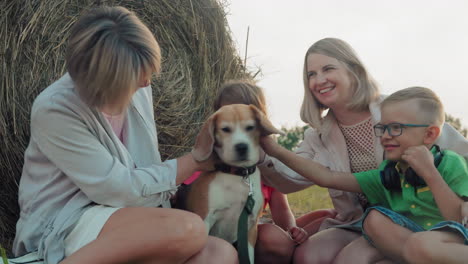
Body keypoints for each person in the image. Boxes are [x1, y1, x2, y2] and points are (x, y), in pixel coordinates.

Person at [12, 6, 238, 264]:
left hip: (128, 212)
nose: (146, 83)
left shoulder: (137, 86)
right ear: (107, 80)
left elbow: (143, 164)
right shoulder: (55, 109)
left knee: (220, 254)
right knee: (189, 228)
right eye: (137, 78)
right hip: (69, 220)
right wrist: (196, 161)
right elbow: (116, 189)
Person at [258, 37, 468, 263]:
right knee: (309, 257)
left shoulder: (397, 110)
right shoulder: (317, 135)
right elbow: (303, 178)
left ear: (353, 70)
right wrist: (264, 149)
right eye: (311, 74)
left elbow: (457, 152)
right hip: (359, 221)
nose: (319, 80)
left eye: (328, 68)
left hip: (429, 218)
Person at [181, 79, 337, 264]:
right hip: (208, 249)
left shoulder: (268, 169)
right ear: (214, 128)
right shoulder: (202, 169)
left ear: (260, 124)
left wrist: (292, 230)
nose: (239, 137)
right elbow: (190, 219)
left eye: (247, 126)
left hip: (243, 242)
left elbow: (278, 210)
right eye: (227, 127)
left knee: (326, 216)